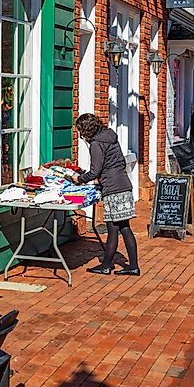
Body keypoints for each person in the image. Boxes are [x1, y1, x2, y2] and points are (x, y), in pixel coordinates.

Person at [73, 113, 139, 276]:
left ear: (85, 129)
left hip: (113, 189)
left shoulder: (96, 143)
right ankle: (133, 265)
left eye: (80, 130)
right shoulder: (110, 137)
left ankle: (106, 265)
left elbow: (95, 170)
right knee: (124, 227)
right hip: (124, 185)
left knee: (113, 228)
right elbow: (119, 162)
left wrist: (79, 179)